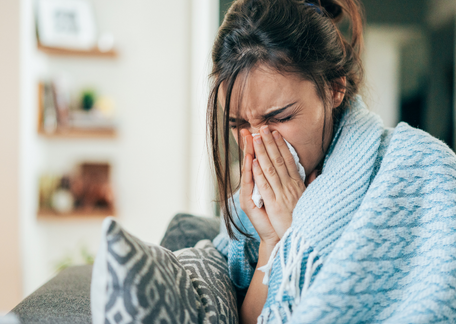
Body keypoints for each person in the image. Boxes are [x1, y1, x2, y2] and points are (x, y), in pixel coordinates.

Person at [209, 0, 456, 323]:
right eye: (239, 125)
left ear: (335, 87)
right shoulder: (248, 215)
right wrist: (274, 242)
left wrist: (301, 231)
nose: (257, 143)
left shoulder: (422, 169)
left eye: (279, 117)